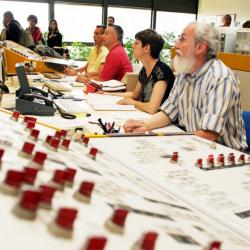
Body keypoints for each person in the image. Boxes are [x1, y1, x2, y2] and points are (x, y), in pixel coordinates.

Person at [124, 22, 247, 151]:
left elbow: (208, 134)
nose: (175, 45)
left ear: (200, 47)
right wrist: (144, 125)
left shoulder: (221, 78)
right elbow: (168, 113)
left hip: (224, 154)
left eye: (182, 39)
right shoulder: (184, 72)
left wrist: (167, 141)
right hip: (195, 144)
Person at [104, 29, 175, 114]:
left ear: (146, 48)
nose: (132, 46)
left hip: (158, 120)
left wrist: (132, 102)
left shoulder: (162, 71)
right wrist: (107, 94)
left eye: (136, 43)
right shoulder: (145, 69)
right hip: (145, 115)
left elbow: (152, 108)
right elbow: (134, 95)